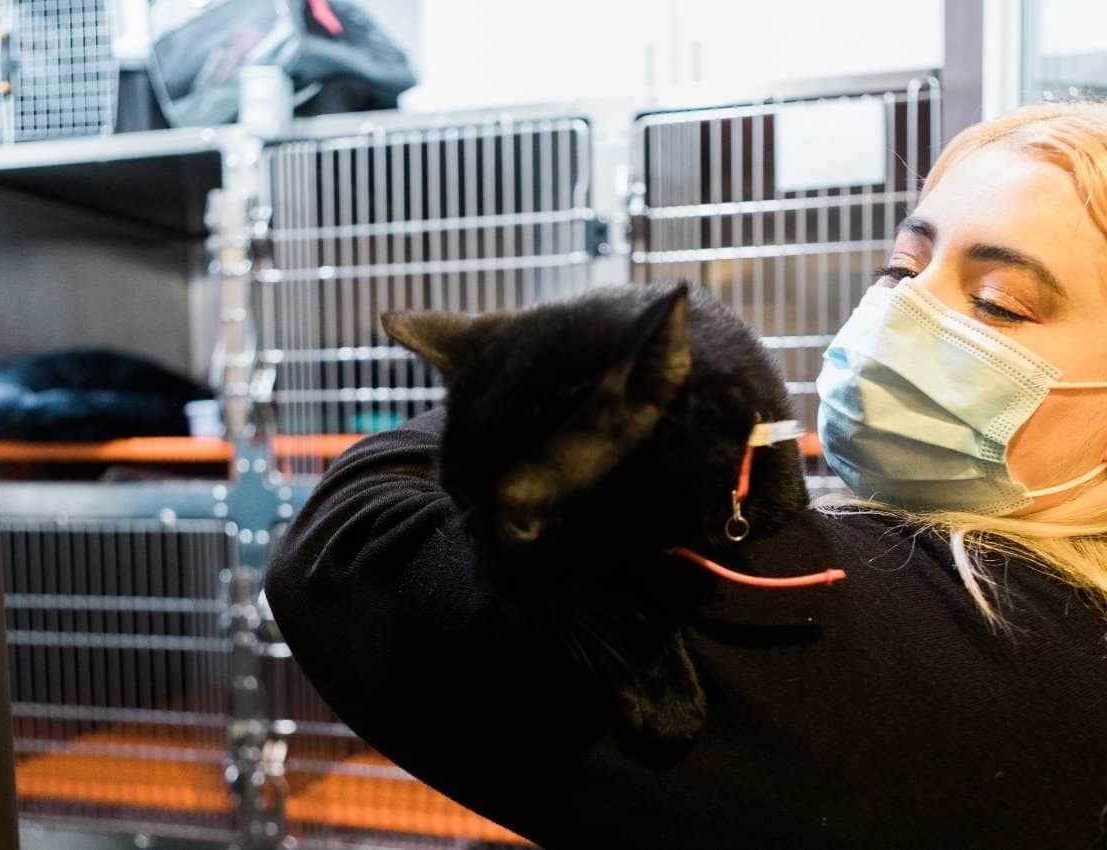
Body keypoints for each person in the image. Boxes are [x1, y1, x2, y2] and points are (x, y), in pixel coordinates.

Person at [264, 102, 1107, 848]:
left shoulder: (911, 633)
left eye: (998, 302)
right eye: (900, 269)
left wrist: (539, 374)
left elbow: (345, 545)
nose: (907, 311)